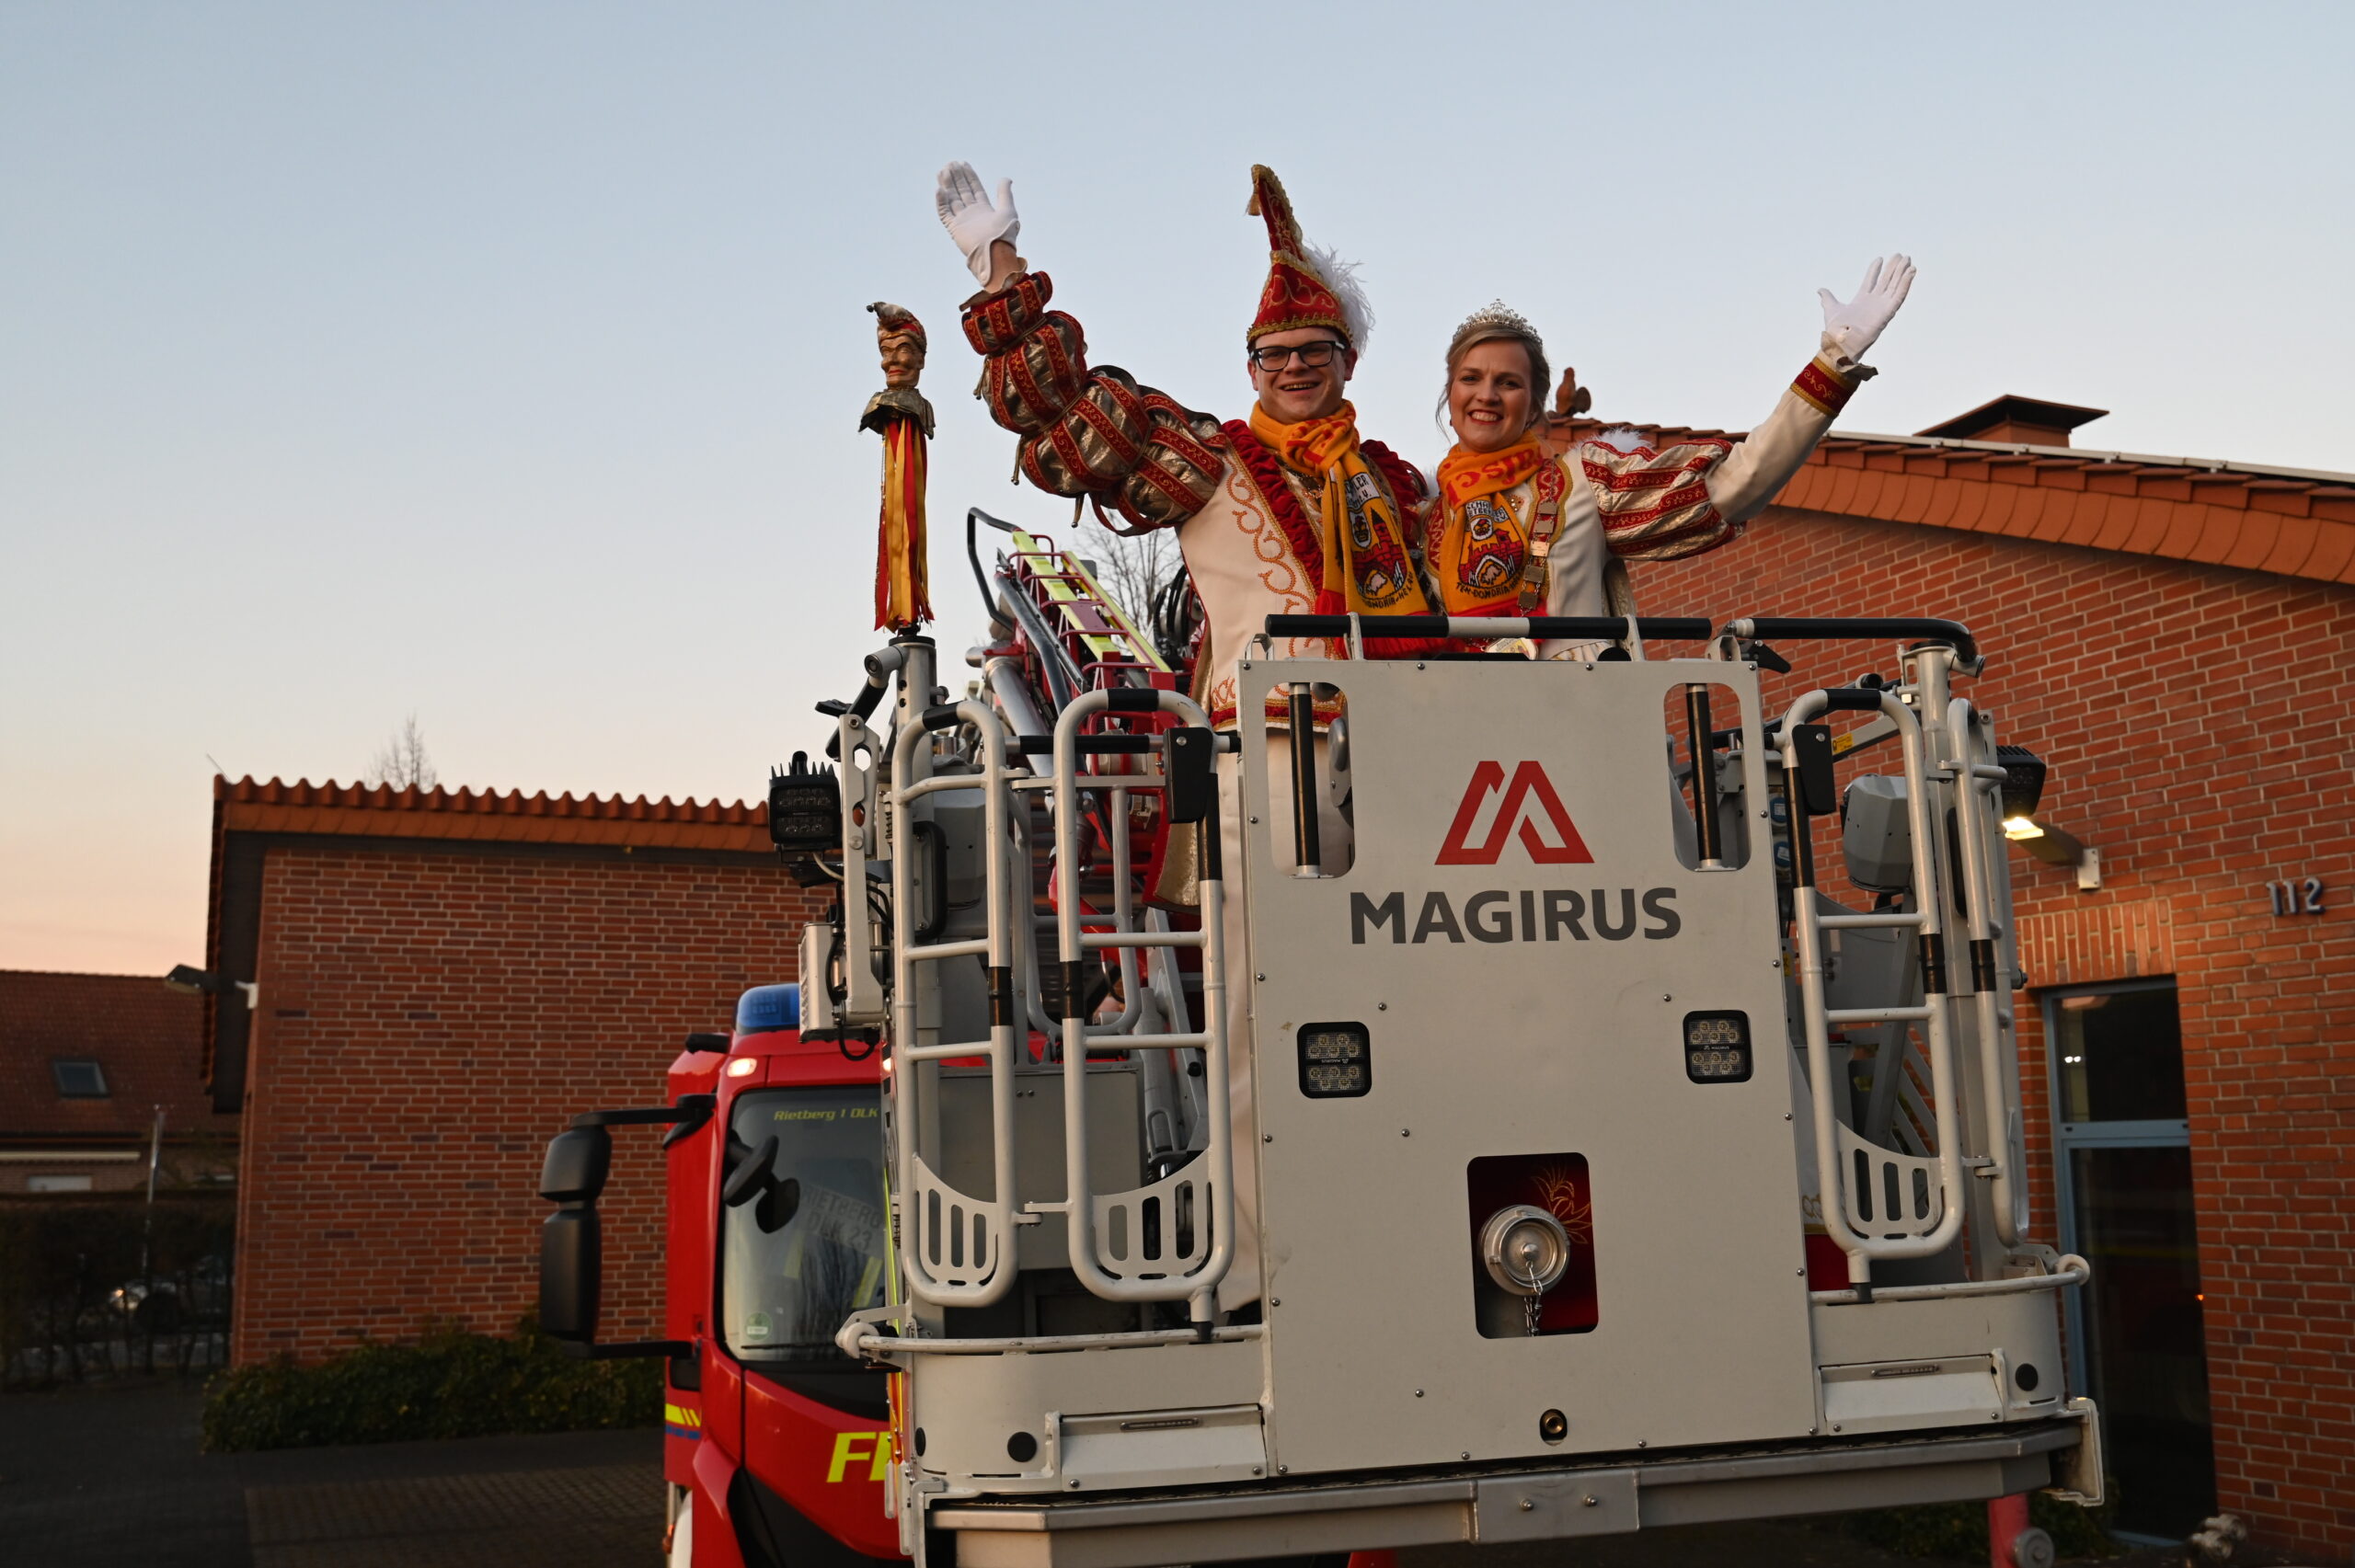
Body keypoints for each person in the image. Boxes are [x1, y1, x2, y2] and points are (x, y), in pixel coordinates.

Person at [936, 160, 1436, 1312]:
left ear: (1349, 364)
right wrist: (998, 267)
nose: (1295, 370)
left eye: (1314, 352)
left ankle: (1418, 1234)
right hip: (1266, 771)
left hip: (1417, 773)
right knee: (1269, 1019)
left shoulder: (1405, 490)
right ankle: (1270, 1273)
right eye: (1275, 356)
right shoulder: (1214, 464)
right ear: (1248, 370)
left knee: (1428, 1011)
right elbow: (1068, 419)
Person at [1424, 260, 1916, 658]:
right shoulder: (1422, 516)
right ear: (1450, 391)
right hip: (1464, 747)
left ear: (1533, 403)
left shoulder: (1582, 481)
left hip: (1579, 736)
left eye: (1508, 382)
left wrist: (1833, 363)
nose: (1486, 395)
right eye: (1471, 378)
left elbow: (1736, 484)